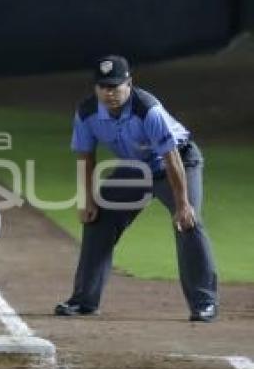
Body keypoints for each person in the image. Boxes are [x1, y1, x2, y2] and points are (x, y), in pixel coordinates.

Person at [54, 55, 219, 321]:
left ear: (129, 83)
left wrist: (183, 204)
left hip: (177, 163)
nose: (109, 93)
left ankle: (204, 304)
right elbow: (86, 158)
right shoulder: (87, 112)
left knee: (188, 223)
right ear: (95, 88)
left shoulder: (147, 109)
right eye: (103, 87)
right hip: (136, 168)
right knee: (98, 219)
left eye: (115, 86)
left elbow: (171, 157)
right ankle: (84, 300)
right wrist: (87, 200)